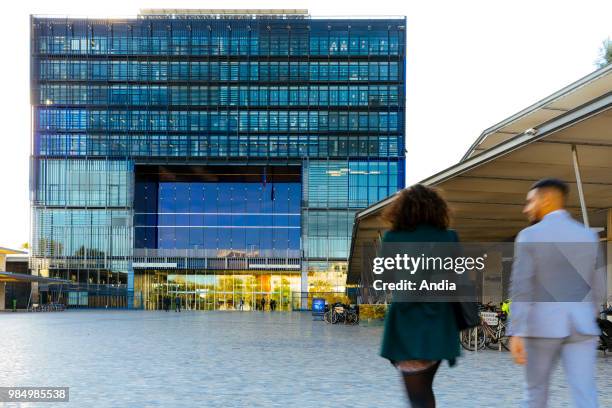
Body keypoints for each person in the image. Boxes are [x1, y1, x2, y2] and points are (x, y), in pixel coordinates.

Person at [509, 178, 604, 408]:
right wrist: (587, 313)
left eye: (530, 202)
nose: (526, 208)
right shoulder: (588, 236)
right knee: (585, 395)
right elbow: (599, 284)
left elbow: (522, 287)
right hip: (581, 325)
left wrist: (517, 330)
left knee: (536, 394)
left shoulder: (529, 236)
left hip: (541, 326)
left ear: (547, 200)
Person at [379, 184, 461, 408]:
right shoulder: (449, 237)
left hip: (408, 324)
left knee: (418, 397)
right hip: (440, 325)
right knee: (424, 392)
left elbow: (387, 280)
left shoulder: (392, 238)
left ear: (403, 209)